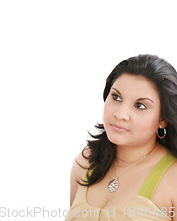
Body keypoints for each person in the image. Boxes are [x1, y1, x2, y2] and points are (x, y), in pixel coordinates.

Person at [66, 54, 177, 221]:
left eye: (140, 105)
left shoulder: (172, 179)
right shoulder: (85, 163)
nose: (120, 114)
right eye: (116, 97)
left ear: (163, 119)